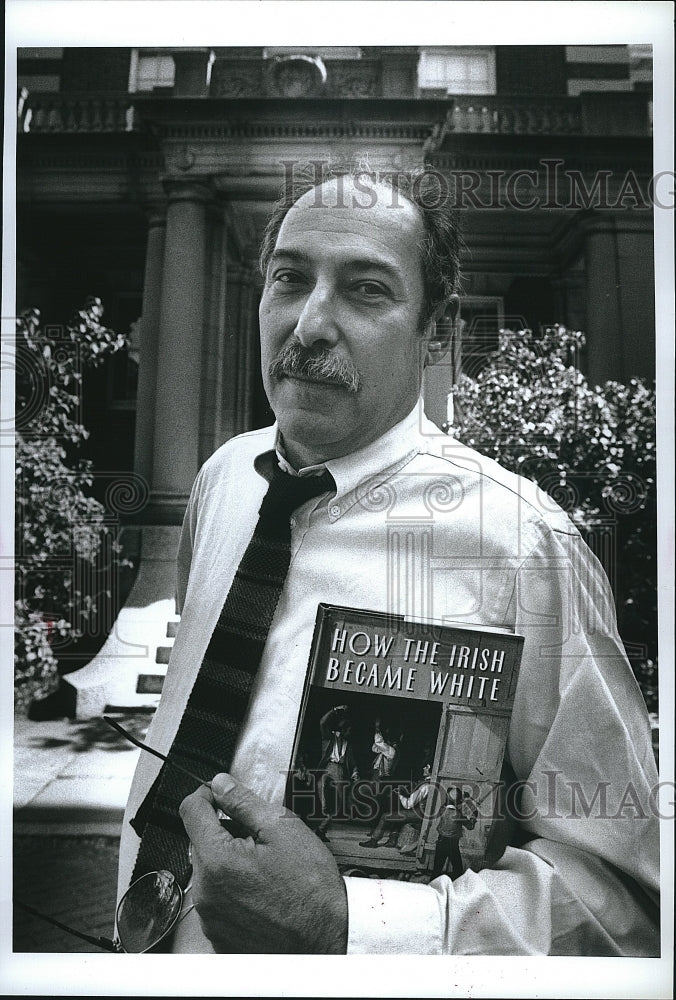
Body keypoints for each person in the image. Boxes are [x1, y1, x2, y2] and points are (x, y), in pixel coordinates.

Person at [118, 163, 660, 955]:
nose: (307, 325)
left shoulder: (523, 547)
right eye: (288, 279)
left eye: (366, 289)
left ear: (436, 331)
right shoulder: (222, 480)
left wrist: (350, 922)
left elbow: (626, 907)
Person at [315, 705, 359, 841]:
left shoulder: (348, 744)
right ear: (343, 728)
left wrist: (356, 771)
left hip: (339, 771)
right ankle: (323, 807)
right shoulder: (329, 737)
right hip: (328, 767)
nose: (351, 733)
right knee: (321, 789)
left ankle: (321, 829)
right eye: (349, 730)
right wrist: (335, 710)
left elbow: (352, 763)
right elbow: (322, 722)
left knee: (339, 803)